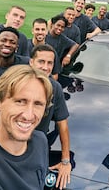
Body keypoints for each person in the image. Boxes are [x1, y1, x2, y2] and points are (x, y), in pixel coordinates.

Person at [29, 44, 72, 190]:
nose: (46, 67)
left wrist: (65, 161)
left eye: (50, 63)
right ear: (31, 62)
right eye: (41, 62)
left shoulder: (55, 88)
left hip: (36, 151)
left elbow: (62, 124)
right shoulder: (17, 83)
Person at [0, 26, 29, 94]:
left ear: (16, 48)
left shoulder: (26, 64)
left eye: (12, 42)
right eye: (3, 40)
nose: (7, 44)